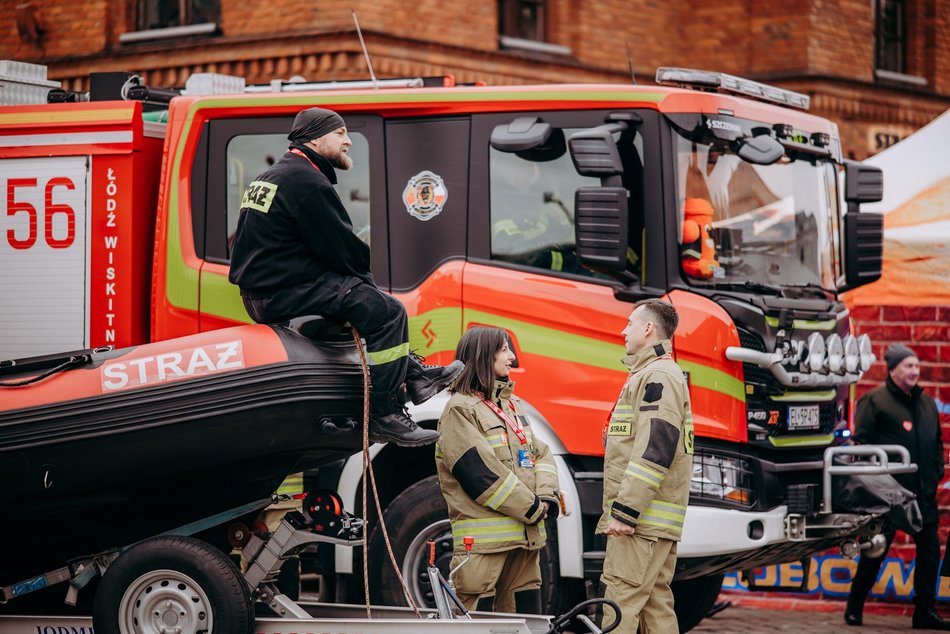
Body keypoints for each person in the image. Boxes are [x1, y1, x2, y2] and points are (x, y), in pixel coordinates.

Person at [228, 107, 462, 448]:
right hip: (279, 292)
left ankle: (414, 376)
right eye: (340, 134)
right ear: (317, 137)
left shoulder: (279, 175)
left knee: (371, 305)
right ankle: (386, 414)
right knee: (387, 312)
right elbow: (342, 248)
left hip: (267, 290)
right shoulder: (305, 180)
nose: (348, 141)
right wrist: (367, 286)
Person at [435, 327, 561, 614]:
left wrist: (547, 498)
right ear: (483, 355)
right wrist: (532, 507)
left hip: (524, 540)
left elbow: (540, 453)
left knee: (526, 621)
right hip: (484, 550)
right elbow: (479, 474)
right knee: (478, 622)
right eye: (504, 350)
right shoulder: (460, 409)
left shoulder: (511, 404)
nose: (512, 357)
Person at [597, 299, 693, 634]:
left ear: (648, 329)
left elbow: (656, 447)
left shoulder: (657, 376)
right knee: (655, 604)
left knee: (620, 601)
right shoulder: (655, 374)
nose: (624, 331)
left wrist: (625, 511)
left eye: (629, 324)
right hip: (653, 524)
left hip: (641, 523)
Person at [844, 344, 948, 630]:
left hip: (922, 494)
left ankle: (924, 611)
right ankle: (854, 605)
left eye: (917, 366)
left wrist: (935, 470)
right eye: (908, 366)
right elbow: (860, 445)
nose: (915, 371)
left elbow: (937, 441)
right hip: (887, 495)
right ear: (892, 370)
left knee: (929, 552)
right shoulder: (875, 401)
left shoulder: (926, 403)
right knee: (875, 552)